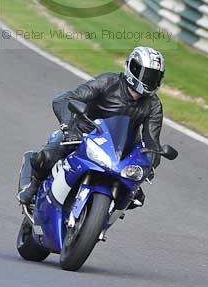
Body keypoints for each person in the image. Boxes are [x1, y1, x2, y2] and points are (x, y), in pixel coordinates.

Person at [18, 46, 166, 206]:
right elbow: (64, 99)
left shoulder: (153, 105)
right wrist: (68, 128)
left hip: (118, 152)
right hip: (81, 134)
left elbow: (152, 141)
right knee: (45, 158)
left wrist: (149, 162)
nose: (148, 81)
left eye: (154, 77)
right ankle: (33, 186)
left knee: (134, 197)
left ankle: (99, 222)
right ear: (132, 68)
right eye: (146, 74)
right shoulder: (108, 82)